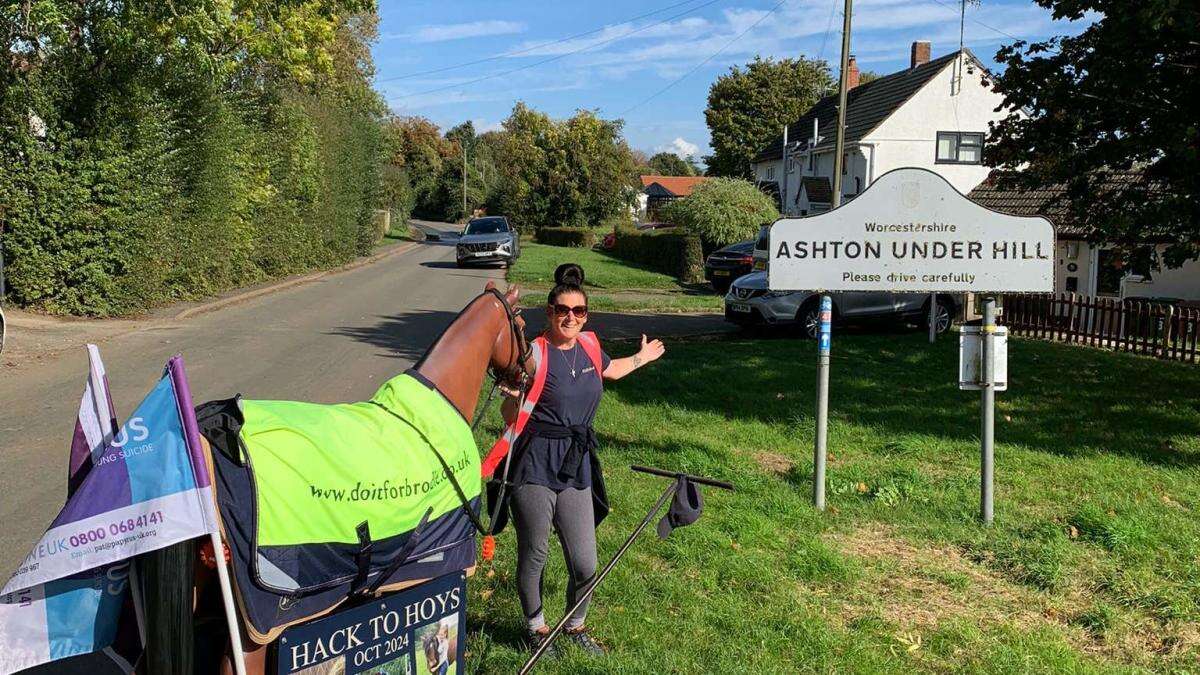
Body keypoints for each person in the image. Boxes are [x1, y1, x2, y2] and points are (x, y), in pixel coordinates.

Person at [499, 263, 665, 656]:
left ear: (585, 315)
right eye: (562, 310)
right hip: (535, 463)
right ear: (549, 313)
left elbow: (613, 370)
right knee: (535, 553)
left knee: (587, 562)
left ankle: (574, 627)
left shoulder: (590, 347)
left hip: (577, 465)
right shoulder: (536, 354)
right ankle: (536, 629)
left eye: (578, 311)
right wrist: (513, 395)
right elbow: (511, 418)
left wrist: (642, 357)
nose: (570, 317)